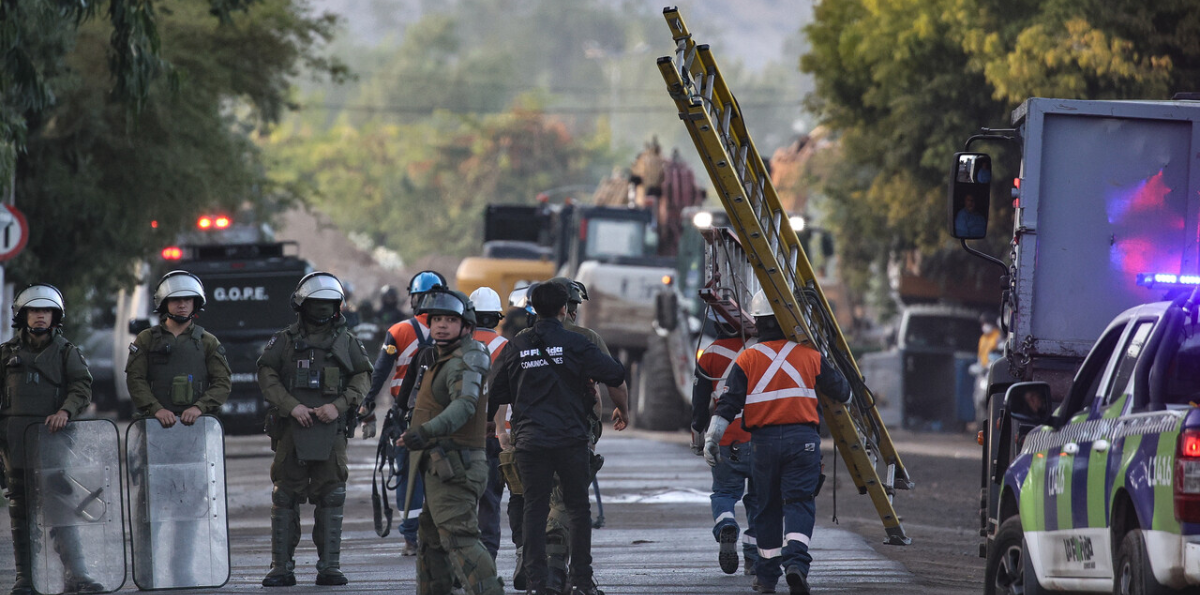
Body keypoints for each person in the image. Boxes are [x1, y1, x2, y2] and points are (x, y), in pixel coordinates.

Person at [704, 289, 851, 595]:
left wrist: (711, 438)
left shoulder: (748, 358)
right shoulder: (810, 356)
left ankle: (767, 578)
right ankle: (796, 564)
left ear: (756, 323)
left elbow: (727, 404)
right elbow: (844, 393)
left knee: (767, 508)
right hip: (803, 443)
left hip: (763, 444)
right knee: (798, 503)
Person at [490, 282, 627, 595]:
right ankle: (576, 579)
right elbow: (615, 375)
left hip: (530, 439)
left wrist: (502, 428)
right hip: (571, 437)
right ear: (566, 308)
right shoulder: (581, 341)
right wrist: (621, 409)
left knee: (533, 509)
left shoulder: (517, 345)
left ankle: (537, 580)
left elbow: (498, 393)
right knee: (576, 509)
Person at [257, 272, 373, 586]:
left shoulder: (346, 341)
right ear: (302, 304)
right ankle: (281, 568)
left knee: (333, 495)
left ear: (338, 306)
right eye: (316, 303)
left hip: (330, 431)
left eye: (328, 304)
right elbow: (267, 372)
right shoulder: (284, 340)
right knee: (284, 497)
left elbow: (363, 376)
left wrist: (339, 405)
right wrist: (290, 405)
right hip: (291, 431)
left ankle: (329, 567)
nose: (322, 309)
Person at [396, 288, 503, 595]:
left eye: (450, 320)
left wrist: (425, 431)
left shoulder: (466, 359)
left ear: (467, 325)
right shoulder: (442, 357)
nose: (441, 325)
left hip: (458, 465)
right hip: (442, 465)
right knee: (430, 540)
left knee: (460, 538)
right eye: (437, 319)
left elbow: (465, 405)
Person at [0, 284, 101, 595]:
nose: (40, 316)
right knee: (21, 511)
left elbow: (82, 388)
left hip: (53, 441)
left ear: (55, 316)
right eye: (34, 311)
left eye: (45, 311)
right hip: (14, 444)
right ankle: (25, 578)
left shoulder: (67, 353)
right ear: (23, 315)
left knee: (60, 508)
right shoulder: (6, 354)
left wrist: (65, 412)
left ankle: (77, 574)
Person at [359, 269, 446, 555]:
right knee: (446, 474)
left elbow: (380, 372)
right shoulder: (454, 329)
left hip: (405, 416)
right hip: (446, 417)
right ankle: (445, 534)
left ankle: (412, 539)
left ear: (415, 298)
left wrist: (368, 405)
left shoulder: (399, 330)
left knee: (409, 477)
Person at [690, 310, 758, 577]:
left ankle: (726, 523)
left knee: (724, 494)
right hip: (760, 436)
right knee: (759, 500)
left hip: (725, 437)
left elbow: (699, 403)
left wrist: (698, 435)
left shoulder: (709, 354)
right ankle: (754, 559)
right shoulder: (762, 350)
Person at [125, 270, 232, 427]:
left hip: (197, 426)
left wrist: (199, 407)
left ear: (195, 303)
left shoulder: (207, 341)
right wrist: (156, 409)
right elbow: (135, 379)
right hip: (154, 425)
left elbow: (222, 382)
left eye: (187, 299)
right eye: (175, 299)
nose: (182, 305)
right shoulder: (146, 339)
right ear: (164, 302)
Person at [468, 287, 509, 562]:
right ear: (496, 317)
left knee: (460, 501)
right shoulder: (506, 346)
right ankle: (486, 560)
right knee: (490, 501)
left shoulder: (455, 345)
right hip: (495, 436)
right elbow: (507, 392)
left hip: (460, 434)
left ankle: (461, 559)